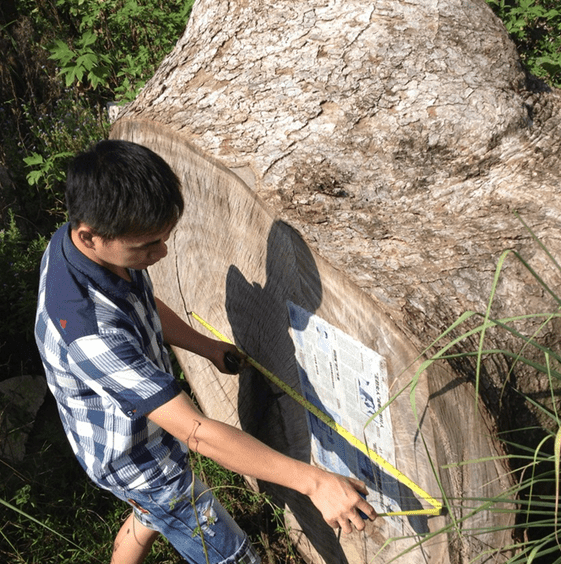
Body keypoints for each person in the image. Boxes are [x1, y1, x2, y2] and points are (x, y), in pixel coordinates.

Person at [34, 140, 376, 564]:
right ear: (90, 235)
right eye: (148, 246)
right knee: (226, 552)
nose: (161, 254)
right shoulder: (90, 330)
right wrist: (314, 482)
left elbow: (142, 307)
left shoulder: (82, 247)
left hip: (129, 427)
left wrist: (206, 346)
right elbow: (195, 432)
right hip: (138, 459)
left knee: (151, 514)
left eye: (165, 239)